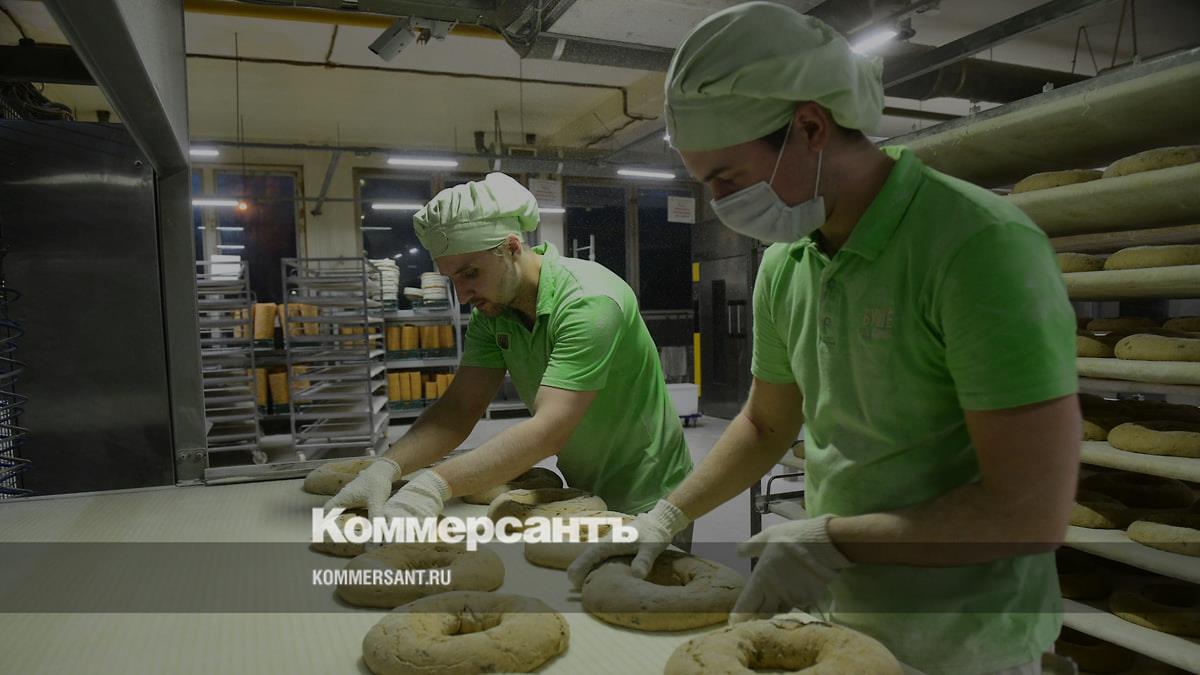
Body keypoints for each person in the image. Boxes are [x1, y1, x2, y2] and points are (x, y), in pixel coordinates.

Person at [567, 4, 1080, 674]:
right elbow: (765, 423)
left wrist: (832, 540)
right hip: (838, 613)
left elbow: (1030, 512)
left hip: (966, 636)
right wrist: (666, 515)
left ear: (810, 127)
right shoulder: (788, 261)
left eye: (727, 179)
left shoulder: (978, 247)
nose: (720, 204)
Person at [319, 173, 694, 549]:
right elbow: (459, 409)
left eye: (470, 273)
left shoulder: (588, 302)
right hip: (582, 488)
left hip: (651, 495)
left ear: (512, 247)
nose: (463, 295)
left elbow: (549, 430)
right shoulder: (493, 314)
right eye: (452, 279)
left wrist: (434, 485)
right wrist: (387, 467)